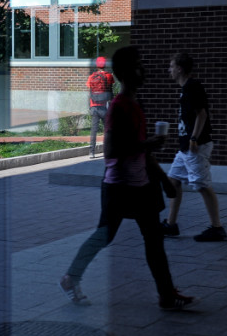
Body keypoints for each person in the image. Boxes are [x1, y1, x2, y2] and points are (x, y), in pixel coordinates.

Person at [59, 46, 197, 310]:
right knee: (105, 236)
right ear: (123, 73)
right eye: (137, 65)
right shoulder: (119, 107)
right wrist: (147, 145)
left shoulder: (136, 104)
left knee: (155, 241)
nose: (142, 69)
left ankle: (167, 295)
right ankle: (70, 278)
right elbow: (110, 151)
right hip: (119, 187)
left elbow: (142, 149)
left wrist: (163, 179)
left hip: (142, 185)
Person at [161, 53, 226, 242]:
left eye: (172, 66)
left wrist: (194, 138)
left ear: (180, 69)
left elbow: (202, 114)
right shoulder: (185, 89)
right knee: (173, 180)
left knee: (203, 186)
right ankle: (171, 225)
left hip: (195, 146)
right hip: (185, 148)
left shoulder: (192, 87)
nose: (169, 70)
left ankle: (217, 227)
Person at [86, 57, 115, 158]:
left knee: (94, 130)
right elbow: (111, 92)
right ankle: (108, 150)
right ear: (105, 65)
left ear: (97, 65)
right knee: (107, 129)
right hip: (104, 107)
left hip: (94, 106)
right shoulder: (109, 76)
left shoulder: (91, 77)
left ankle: (92, 152)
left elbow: (89, 91)